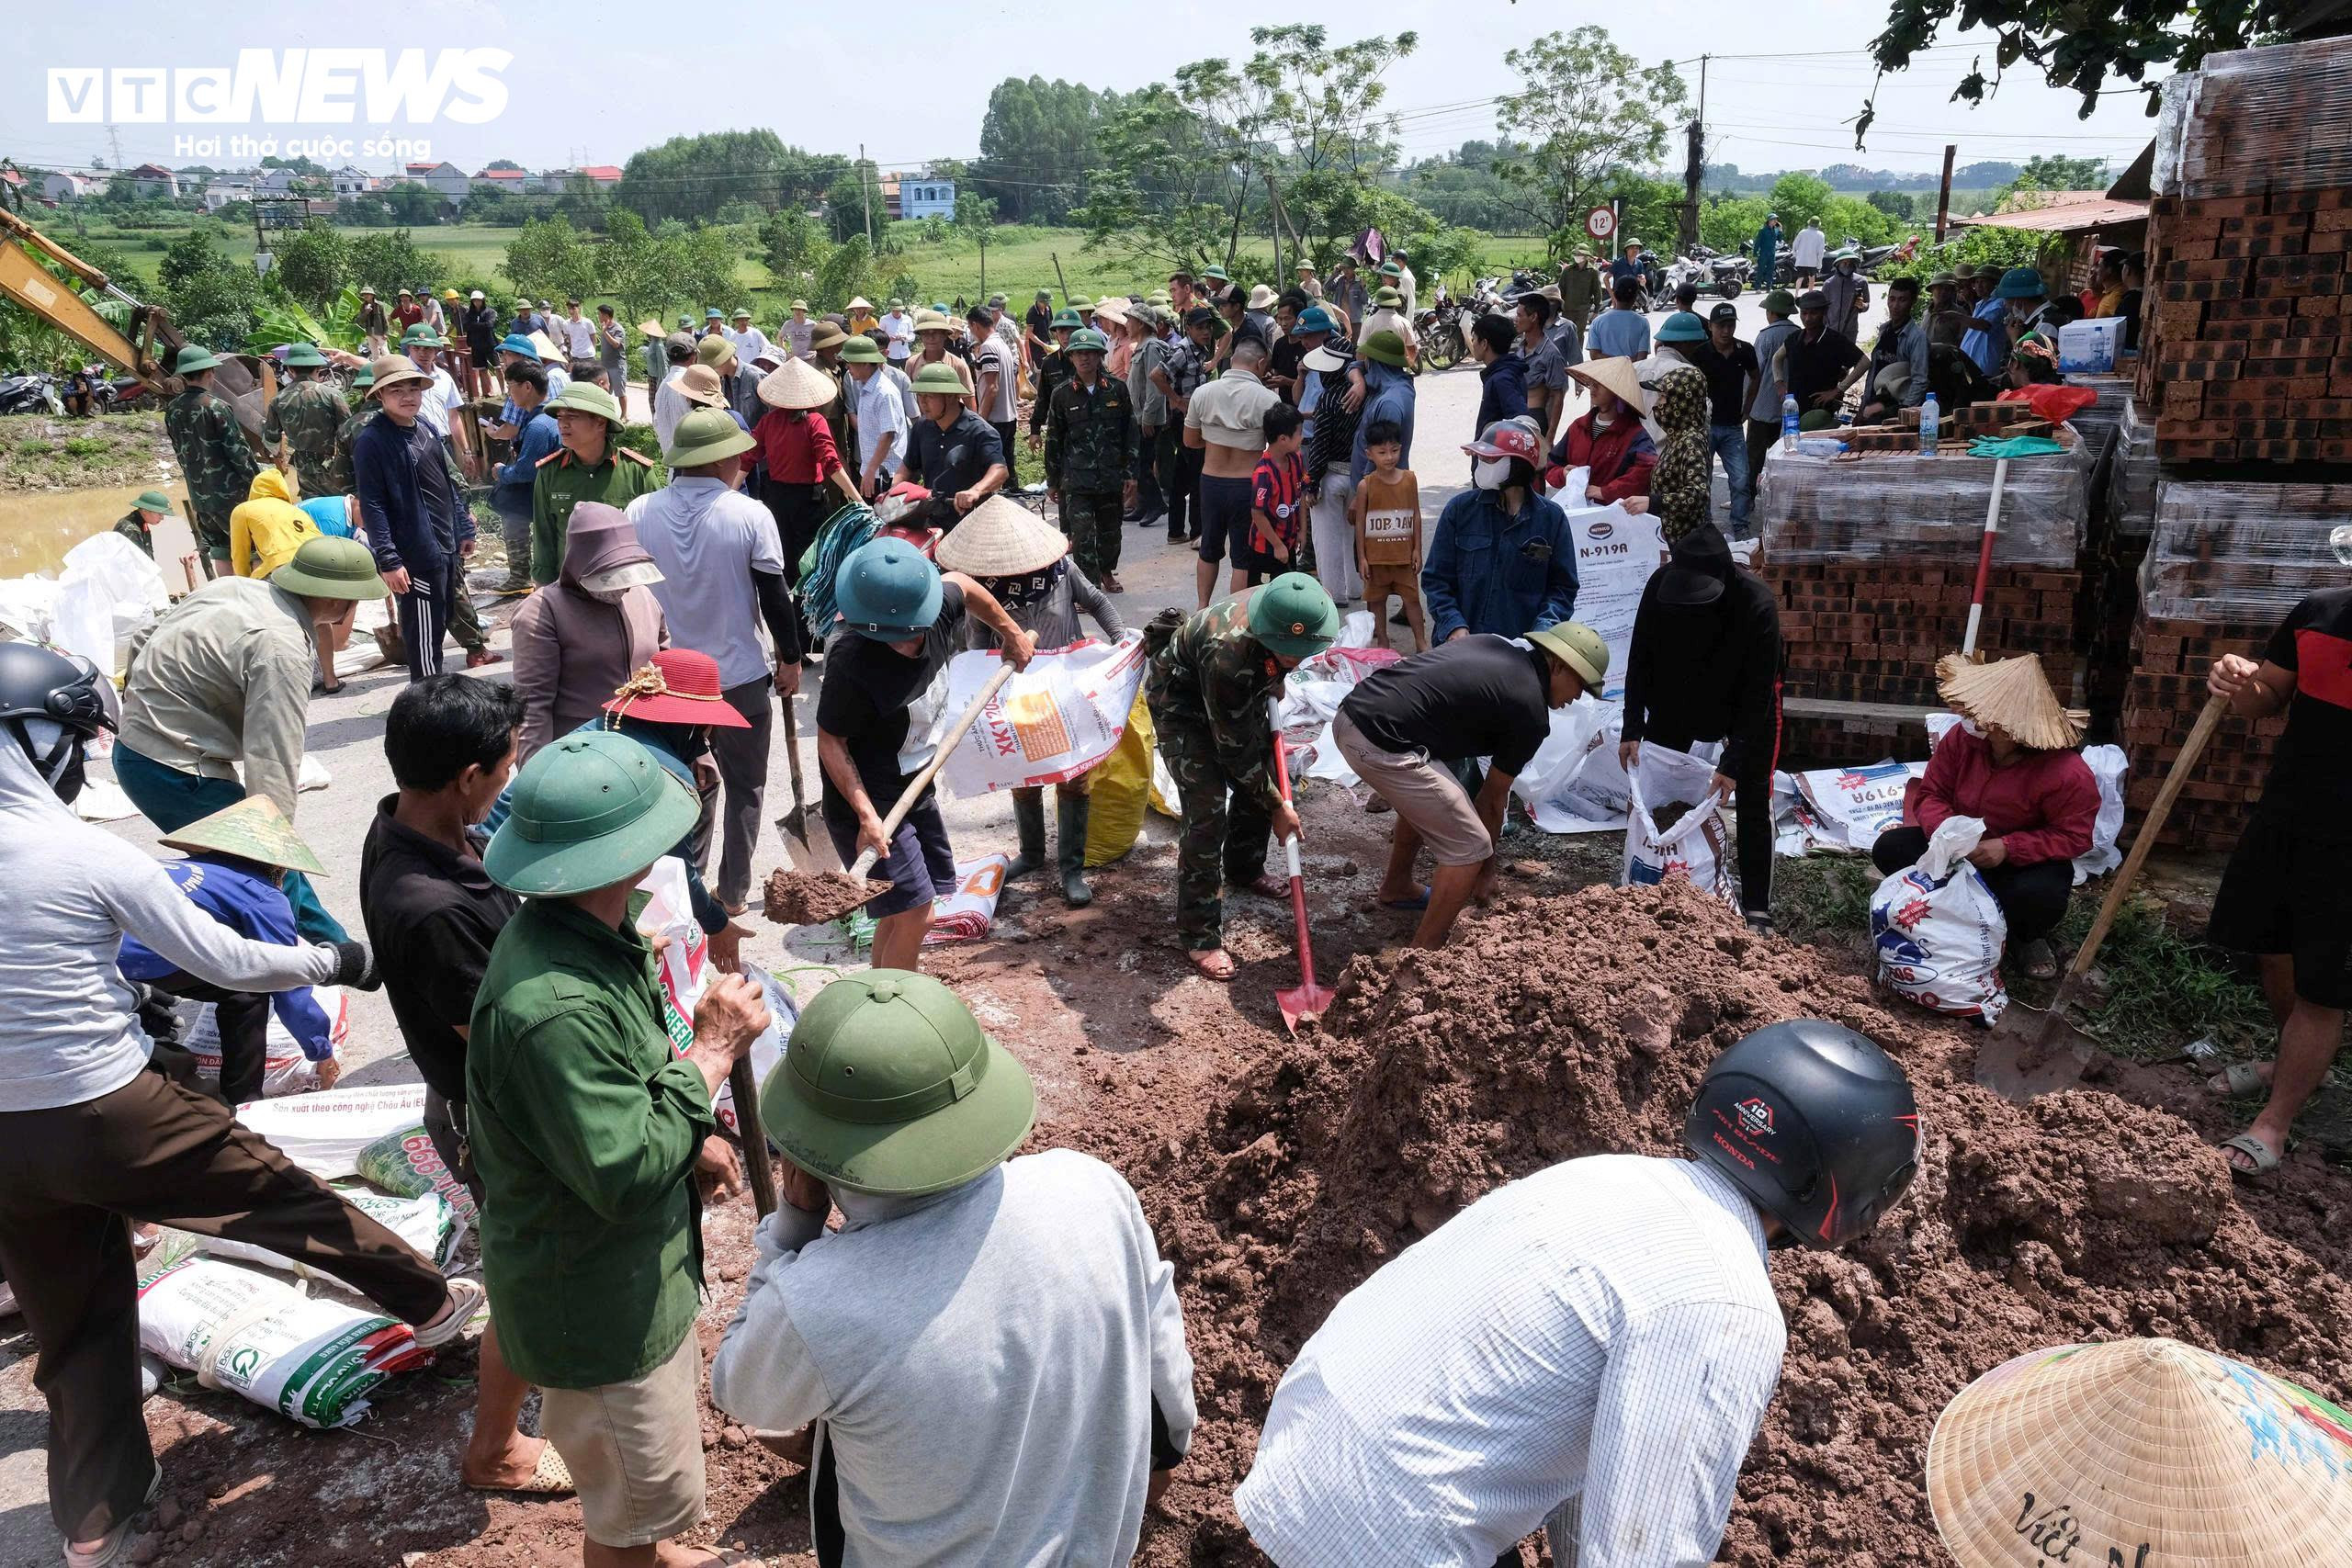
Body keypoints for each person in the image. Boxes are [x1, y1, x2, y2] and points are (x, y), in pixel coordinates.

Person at [0, 643, 488, 1567]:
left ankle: (98, 1526)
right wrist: (332, 962)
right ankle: (429, 1305)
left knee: (73, 1320)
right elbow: (226, 962)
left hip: (5, 1138)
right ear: (32, 744)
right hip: (107, 1105)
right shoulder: (79, 851)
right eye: (70, 743)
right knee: (277, 1197)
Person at [1236, 1019, 1919, 1568]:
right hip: (1389, 1525)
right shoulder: (1726, 1304)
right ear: (1852, 1191)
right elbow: (1645, 1550)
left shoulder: (1612, 1176)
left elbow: (1585, 1449)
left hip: (1309, 1440)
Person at [711, 971, 1193, 1564]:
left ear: (811, 1147)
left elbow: (741, 1390)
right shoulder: (1094, 1188)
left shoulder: (821, 1303)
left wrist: (794, 1222)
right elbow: (1164, 1390)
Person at [467, 729, 765, 1568]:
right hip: (596, 1297)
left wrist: (691, 1134)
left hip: (632, 1273)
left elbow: (629, 1085)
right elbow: (624, 1171)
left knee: (643, 1483)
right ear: (624, 854)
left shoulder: (595, 928)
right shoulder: (552, 1008)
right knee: (628, 1502)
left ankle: (654, 1544)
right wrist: (710, 1056)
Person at [356, 674, 580, 1499]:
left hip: (473, 1090)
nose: (511, 778)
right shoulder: (431, 906)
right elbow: (505, 1050)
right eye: (506, 765)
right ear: (466, 776)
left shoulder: (416, 827)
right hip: (489, 1110)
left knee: (542, 1263)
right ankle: (496, 1450)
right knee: (527, 1278)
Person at [114, 533, 383, 942]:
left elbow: (143, 638)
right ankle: (311, 967)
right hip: (176, 769)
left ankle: (338, 950)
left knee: (272, 872)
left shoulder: (232, 586)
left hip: (135, 747)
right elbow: (272, 757)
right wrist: (272, 848)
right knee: (263, 875)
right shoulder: (284, 647)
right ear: (336, 602)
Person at [815, 540, 1035, 971]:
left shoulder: (936, 612)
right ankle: (898, 1008)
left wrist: (1009, 632)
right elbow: (831, 742)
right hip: (871, 804)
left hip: (916, 788)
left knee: (904, 910)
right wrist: (865, 817)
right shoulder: (851, 661)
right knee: (919, 913)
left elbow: (964, 585)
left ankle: (877, 991)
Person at [2195, 581, 2352, 1177]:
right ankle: (2293, 1065)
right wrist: (2240, 678)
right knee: (2274, 949)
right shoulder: (2319, 613)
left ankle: (2276, 1120)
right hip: (2290, 811)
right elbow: (2265, 699)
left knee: (2323, 986)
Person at [630, 409, 807, 916]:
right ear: (724, 458)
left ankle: (685, 886)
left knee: (684, 784)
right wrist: (790, 657)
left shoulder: (640, 511)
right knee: (745, 787)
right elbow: (774, 595)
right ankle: (731, 895)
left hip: (666, 681)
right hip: (738, 676)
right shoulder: (749, 514)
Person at [1340, 622, 1607, 946]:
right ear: (1558, 664)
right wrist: (1485, 871)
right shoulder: (1530, 712)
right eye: (1581, 685)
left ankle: (1397, 887)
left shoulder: (1491, 644)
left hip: (1355, 713)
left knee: (1434, 796)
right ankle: (1422, 955)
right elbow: (1491, 801)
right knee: (1470, 846)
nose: (1578, 697)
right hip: (1378, 741)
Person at [1145, 574, 1338, 980]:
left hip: (1237, 696)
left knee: (1264, 778)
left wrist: (1276, 676)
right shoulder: (1228, 655)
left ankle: (1244, 869)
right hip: (1183, 706)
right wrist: (1277, 805)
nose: (1295, 658)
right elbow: (1233, 753)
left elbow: (1251, 752)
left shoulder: (1281, 608)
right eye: (1288, 652)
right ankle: (1200, 936)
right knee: (1207, 810)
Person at [936, 499, 1126, 906]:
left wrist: (1120, 641)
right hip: (1016, 693)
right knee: (1022, 774)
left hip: (1066, 688)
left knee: (1071, 776)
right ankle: (1032, 853)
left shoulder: (1062, 572)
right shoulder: (982, 593)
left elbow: (1098, 603)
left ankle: (1071, 868)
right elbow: (975, 651)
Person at [117, 796, 342, 1104]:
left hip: (97, 951)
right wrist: (321, 1051)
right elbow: (288, 982)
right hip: (139, 958)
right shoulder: (261, 894)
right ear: (279, 866)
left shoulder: (184, 869)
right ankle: (242, 1100)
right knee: (248, 990)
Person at [1622, 521, 1784, 931]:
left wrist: (1731, 762)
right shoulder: (1661, 587)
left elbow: (1758, 694)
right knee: (1656, 788)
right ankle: (1650, 881)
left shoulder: (1757, 605)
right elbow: (1640, 655)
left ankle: (1757, 907)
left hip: (1745, 703)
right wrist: (1631, 726)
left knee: (1752, 799)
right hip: (1679, 693)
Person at [511, 502, 668, 765]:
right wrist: (535, 779)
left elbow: (668, 671)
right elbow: (532, 708)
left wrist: (696, 747)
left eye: (625, 574)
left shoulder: (642, 596)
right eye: (609, 576)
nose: (622, 587)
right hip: (581, 758)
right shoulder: (543, 611)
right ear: (578, 563)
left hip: (646, 747)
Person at [353, 354, 471, 679]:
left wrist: (462, 526)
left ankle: (434, 697)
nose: (407, 397)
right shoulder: (373, 441)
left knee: (441, 621)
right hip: (413, 553)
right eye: (396, 391)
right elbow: (372, 504)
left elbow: (445, 483)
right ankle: (426, 700)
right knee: (421, 634)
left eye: (413, 389)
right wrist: (389, 560)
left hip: (444, 547)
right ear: (380, 395)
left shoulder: (426, 427)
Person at [1422, 417, 1579, 651]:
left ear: (1517, 466)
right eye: (1481, 458)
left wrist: (1541, 635)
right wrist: (1453, 625)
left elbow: (1562, 589)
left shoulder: (1551, 519)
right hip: (1460, 650)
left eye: (1490, 459)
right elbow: (1436, 580)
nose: (1481, 464)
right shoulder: (1459, 511)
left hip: (1521, 653)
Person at [529, 382, 659, 590]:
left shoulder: (637, 473)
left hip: (627, 590)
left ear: (600, 422)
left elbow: (656, 536)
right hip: (571, 591)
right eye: (560, 418)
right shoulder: (550, 473)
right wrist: (543, 592)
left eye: (572, 417)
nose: (562, 425)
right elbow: (544, 538)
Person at [1184, 337, 1280, 608]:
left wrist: (1215, 441)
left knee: (1208, 550)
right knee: (1242, 557)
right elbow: (1276, 450)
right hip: (1247, 485)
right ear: (1261, 363)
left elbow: (1190, 441)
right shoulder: (1268, 399)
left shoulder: (1204, 393)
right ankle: (1236, 615)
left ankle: (1202, 609)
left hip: (1211, 482)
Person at [164, 345, 260, 571]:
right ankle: (258, 597)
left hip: (200, 496)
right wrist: (257, 483)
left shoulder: (173, 410)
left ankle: (226, 596)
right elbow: (238, 452)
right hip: (230, 495)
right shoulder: (216, 406)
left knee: (221, 549)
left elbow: (179, 451)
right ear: (209, 373)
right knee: (254, 545)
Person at [905, 361, 1010, 532]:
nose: (922, 402)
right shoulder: (922, 427)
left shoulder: (980, 431)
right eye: (919, 395)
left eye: (929, 396)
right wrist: (893, 490)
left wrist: (974, 491)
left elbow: (1000, 470)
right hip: (932, 520)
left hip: (973, 520)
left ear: (951, 396)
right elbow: (908, 466)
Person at [1348, 418, 1423, 652]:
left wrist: (1417, 549)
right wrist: (1362, 557)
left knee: (1412, 600)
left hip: (1403, 557)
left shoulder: (1409, 479)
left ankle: (1421, 643)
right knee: (1376, 601)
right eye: (1382, 452)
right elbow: (1360, 524)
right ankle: (1382, 640)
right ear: (1369, 454)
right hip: (1376, 558)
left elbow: (1416, 515)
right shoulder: (1365, 486)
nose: (1389, 457)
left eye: (1394, 450)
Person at [1687, 302, 1760, 539]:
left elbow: (1755, 376)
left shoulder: (1744, 351)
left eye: (1730, 325)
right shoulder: (1700, 354)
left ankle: (1740, 524)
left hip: (1733, 426)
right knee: (1702, 478)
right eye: (1721, 326)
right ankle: (1705, 524)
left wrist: (1748, 407)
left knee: (1740, 478)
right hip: (1704, 426)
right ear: (1711, 326)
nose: (1726, 331)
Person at [1549, 357, 1657, 507]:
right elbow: (1552, 463)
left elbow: (1646, 470)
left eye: (1600, 384)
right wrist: (1563, 474)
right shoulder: (1578, 426)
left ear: (1617, 392)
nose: (1593, 388)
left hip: (1614, 516)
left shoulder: (1635, 434)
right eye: (1592, 382)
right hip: (1576, 510)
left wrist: (1606, 491)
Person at [490, 362, 560, 592]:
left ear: (527, 387)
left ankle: (522, 577)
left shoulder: (538, 426)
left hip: (536, 492)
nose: (509, 393)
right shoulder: (551, 416)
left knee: (514, 523)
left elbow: (526, 470)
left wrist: (501, 472)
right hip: (550, 492)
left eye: (511, 387)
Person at [1156, 307, 1216, 547]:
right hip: (1185, 420)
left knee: (1181, 476)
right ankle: (1198, 532)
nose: (1206, 332)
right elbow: (1157, 374)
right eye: (1200, 327)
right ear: (1188, 329)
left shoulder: (1199, 350)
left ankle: (1175, 531)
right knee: (1199, 474)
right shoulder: (1182, 350)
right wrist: (1176, 399)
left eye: (1208, 327)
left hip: (1194, 417)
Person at [261, 343, 346, 504]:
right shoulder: (333, 395)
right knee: (341, 509)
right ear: (318, 368)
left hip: (303, 467)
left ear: (290, 370)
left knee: (312, 510)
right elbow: (349, 433)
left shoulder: (278, 400)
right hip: (334, 464)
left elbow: (271, 440)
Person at [1243, 402, 1309, 591]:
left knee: (1288, 592)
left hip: (1287, 543)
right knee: (1260, 596)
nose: (1302, 438)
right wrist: (1277, 545)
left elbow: (1302, 494)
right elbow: (1257, 514)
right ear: (1282, 439)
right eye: (1299, 433)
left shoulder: (1296, 459)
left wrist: (1302, 531)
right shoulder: (1264, 474)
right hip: (1265, 547)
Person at [1747, 289, 1800, 511]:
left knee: (1753, 458)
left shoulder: (1766, 336)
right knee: (1784, 457)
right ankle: (1780, 501)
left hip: (1762, 406)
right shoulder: (1799, 334)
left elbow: (1754, 372)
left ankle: (1746, 499)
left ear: (1770, 312)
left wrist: (1745, 404)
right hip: (1789, 408)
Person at [1857, 275, 1933, 429]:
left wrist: (1904, 411)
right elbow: (1875, 370)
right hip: (1876, 399)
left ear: (1913, 302)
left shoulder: (1916, 338)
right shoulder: (1884, 330)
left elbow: (1920, 380)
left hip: (1898, 404)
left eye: (1902, 300)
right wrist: (1864, 403)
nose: (1895, 305)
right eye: (1892, 299)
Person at [1786, 290, 1867, 417]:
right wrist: (1779, 383)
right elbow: (1777, 358)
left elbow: (1864, 362)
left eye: (1813, 313)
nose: (1807, 318)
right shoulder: (1795, 337)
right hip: (1794, 412)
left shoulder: (1834, 339)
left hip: (1820, 412)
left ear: (1824, 312)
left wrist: (1838, 390)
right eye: (1804, 313)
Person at [1126, 303, 1172, 526]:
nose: (1127, 324)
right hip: (1137, 414)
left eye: (1130, 320)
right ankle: (1144, 504)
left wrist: (1148, 417)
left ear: (1141, 324)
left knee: (1144, 463)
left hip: (1147, 416)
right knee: (1137, 462)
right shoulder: (1141, 346)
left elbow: (1154, 386)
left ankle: (1156, 504)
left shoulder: (1152, 348)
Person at [966, 303, 1020, 464]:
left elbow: (992, 387)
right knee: (1007, 465)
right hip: (1009, 415)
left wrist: (981, 420)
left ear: (975, 325)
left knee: (992, 466)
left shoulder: (988, 347)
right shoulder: (1001, 344)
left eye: (970, 327)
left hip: (996, 418)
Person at [1515, 293, 1571, 447]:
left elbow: (1557, 397)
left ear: (1533, 317)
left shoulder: (1551, 355)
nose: (1516, 319)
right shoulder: (1521, 348)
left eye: (1520, 315)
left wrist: (1549, 438)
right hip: (1516, 418)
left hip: (1535, 421)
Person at [1468, 313, 1528, 433]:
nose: (1472, 344)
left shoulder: (1503, 379)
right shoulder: (1504, 372)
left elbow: (1520, 421)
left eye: (1474, 339)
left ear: (1484, 344)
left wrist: (1494, 447)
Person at [1583, 276, 1651, 362]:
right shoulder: (1643, 322)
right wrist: (1625, 361)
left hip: (1605, 374)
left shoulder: (1598, 322)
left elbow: (1594, 355)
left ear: (1614, 294)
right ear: (1636, 297)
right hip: (1632, 373)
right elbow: (1641, 358)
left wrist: (1616, 362)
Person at [1822, 249, 1870, 344]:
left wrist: (1862, 306)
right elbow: (1822, 309)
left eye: (1850, 263)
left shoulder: (1861, 281)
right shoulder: (1828, 284)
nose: (1847, 266)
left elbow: (1867, 304)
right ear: (1837, 264)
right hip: (1831, 330)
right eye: (1844, 263)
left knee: (1848, 357)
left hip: (1850, 331)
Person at [113, 490, 175, 559]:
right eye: (159, 514)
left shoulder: (142, 524)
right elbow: (134, 563)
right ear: (144, 510)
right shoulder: (129, 530)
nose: (162, 518)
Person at [1556, 251, 1603, 338]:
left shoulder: (1593, 272)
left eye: (1579, 254)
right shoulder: (1568, 270)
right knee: (1565, 335)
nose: (1577, 256)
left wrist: (1596, 311)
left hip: (1583, 311)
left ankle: (1578, 352)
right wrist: (1557, 307)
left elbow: (1597, 291)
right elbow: (1561, 289)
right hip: (1567, 309)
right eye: (1576, 254)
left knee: (1578, 336)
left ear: (1586, 256)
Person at [1926, 273, 1971, 350]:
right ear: (1932, 289)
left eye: (1947, 289)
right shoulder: (1926, 313)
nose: (1943, 292)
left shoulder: (1959, 313)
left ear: (1953, 292)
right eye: (1940, 288)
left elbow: (1964, 343)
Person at [1791, 215, 1828, 287]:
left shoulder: (1802, 232)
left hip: (1801, 260)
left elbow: (1795, 244)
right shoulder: (1821, 235)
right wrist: (1819, 264)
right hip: (1813, 261)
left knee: (1800, 277)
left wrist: (1795, 255)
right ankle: (1810, 293)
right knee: (1812, 278)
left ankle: (1796, 293)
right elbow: (1820, 251)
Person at [357, 285, 390, 356]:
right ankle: (376, 366)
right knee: (374, 351)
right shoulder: (363, 306)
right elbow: (360, 320)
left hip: (380, 330)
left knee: (384, 350)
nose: (366, 296)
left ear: (372, 295)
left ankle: (389, 366)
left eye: (367, 294)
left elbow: (385, 319)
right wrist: (366, 312)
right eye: (364, 294)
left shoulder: (380, 305)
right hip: (369, 331)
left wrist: (386, 333)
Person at [1754, 212, 1784, 288]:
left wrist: (1780, 230)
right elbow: (1758, 242)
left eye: (1776, 220)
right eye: (1774, 220)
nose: (1776, 221)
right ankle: (1757, 287)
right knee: (1761, 270)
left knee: (1770, 271)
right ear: (1769, 221)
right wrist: (1755, 252)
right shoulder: (1763, 230)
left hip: (1772, 253)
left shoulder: (1776, 230)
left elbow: (1780, 239)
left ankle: (1769, 287)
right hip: (1763, 252)